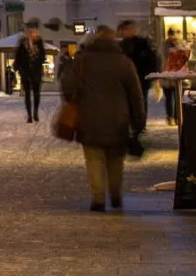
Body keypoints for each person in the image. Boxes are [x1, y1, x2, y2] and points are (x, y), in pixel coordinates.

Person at [60, 26, 145, 211]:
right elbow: (135, 93)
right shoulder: (123, 62)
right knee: (115, 159)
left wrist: (74, 100)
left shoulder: (82, 60)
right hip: (118, 119)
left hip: (88, 118)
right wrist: (138, 120)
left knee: (94, 159)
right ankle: (115, 195)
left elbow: (67, 84)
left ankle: (98, 198)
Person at [117, 20, 161, 113]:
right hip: (127, 78)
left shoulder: (142, 43)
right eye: (127, 29)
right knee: (130, 101)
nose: (129, 31)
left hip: (141, 77)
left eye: (131, 29)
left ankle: (140, 122)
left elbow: (152, 60)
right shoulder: (120, 46)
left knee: (141, 100)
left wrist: (154, 76)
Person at [13, 26, 47, 122]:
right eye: (31, 32)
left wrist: (38, 62)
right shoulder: (23, 44)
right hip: (26, 72)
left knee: (36, 94)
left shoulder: (39, 44)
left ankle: (35, 112)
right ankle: (29, 116)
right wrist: (19, 68)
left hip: (36, 72)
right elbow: (18, 57)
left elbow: (43, 56)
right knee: (27, 94)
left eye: (34, 33)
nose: (33, 34)